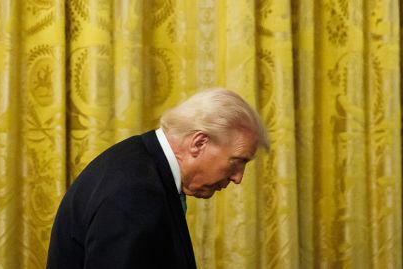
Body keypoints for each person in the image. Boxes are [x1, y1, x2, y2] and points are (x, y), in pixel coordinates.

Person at [46, 87, 269, 269]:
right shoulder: (134, 193)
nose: (238, 177)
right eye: (237, 161)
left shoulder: (141, 163)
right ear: (199, 143)